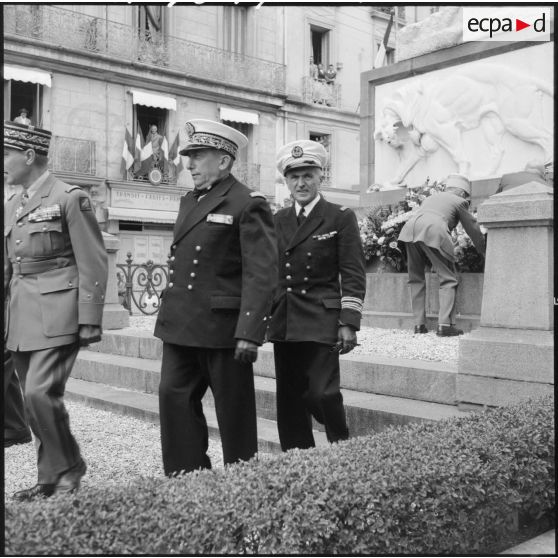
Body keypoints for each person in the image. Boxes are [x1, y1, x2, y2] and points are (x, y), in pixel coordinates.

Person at [154, 119, 278, 476]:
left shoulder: (247, 203)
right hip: (181, 325)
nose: (189, 164)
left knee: (234, 415)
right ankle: (186, 478)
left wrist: (250, 330)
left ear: (223, 161)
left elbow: (261, 272)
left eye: (198, 156)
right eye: (188, 156)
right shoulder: (189, 201)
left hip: (225, 330)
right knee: (172, 399)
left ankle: (242, 487)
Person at [4, 121, 108, 500]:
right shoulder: (12, 204)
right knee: (34, 406)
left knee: (38, 393)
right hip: (20, 314)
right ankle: (51, 479)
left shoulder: (69, 197)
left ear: (29, 156)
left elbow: (93, 260)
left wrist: (90, 318)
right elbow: (8, 266)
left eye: (7, 154)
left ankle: (70, 466)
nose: (3, 162)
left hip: (58, 311)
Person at [267, 139, 366, 451]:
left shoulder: (339, 216)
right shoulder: (277, 220)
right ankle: (298, 461)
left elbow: (352, 272)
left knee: (322, 394)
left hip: (323, 318)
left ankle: (341, 446)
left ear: (321, 176)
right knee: (290, 401)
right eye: (294, 177)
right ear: (286, 181)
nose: (301, 183)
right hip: (286, 318)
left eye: (308, 175)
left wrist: (348, 321)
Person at [398, 173, 486, 337]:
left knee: (416, 278)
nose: (467, 199)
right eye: (467, 196)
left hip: (409, 230)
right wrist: (483, 249)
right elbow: (472, 227)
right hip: (433, 230)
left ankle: (419, 325)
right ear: (462, 193)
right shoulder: (460, 201)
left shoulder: (432, 198)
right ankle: (445, 325)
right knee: (448, 278)